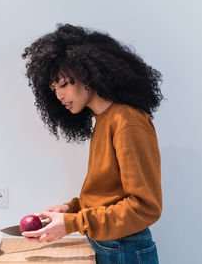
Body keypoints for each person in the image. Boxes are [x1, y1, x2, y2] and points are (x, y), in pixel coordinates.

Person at [21, 23, 163, 264]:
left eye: (64, 83)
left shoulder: (127, 121)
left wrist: (73, 223)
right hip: (112, 246)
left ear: (88, 74)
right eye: (54, 88)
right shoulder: (105, 120)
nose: (59, 95)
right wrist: (72, 209)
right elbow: (109, 194)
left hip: (125, 249)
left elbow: (145, 206)